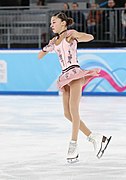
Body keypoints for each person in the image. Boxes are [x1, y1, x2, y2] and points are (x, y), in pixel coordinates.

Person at [38, 12, 111, 163]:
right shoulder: (55, 41)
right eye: (51, 23)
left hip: (75, 74)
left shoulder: (70, 34)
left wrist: (77, 35)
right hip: (65, 76)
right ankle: (95, 138)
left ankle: (73, 144)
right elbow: (39, 55)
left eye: (54, 22)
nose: (51, 25)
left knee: (73, 110)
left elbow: (90, 37)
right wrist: (48, 47)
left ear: (63, 23)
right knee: (66, 113)